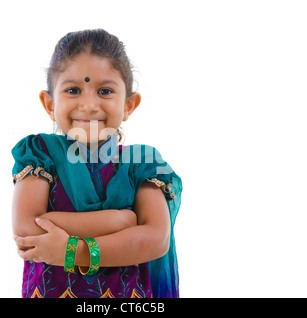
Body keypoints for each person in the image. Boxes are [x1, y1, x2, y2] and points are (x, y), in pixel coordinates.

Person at [11, 29, 182, 298]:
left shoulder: (142, 163)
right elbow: (27, 229)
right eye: (73, 90)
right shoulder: (40, 154)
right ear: (49, 103)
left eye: (104, 91)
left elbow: (156, 239)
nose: (89, 105)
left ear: (129, 105)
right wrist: (119, 220)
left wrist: (70, 251)